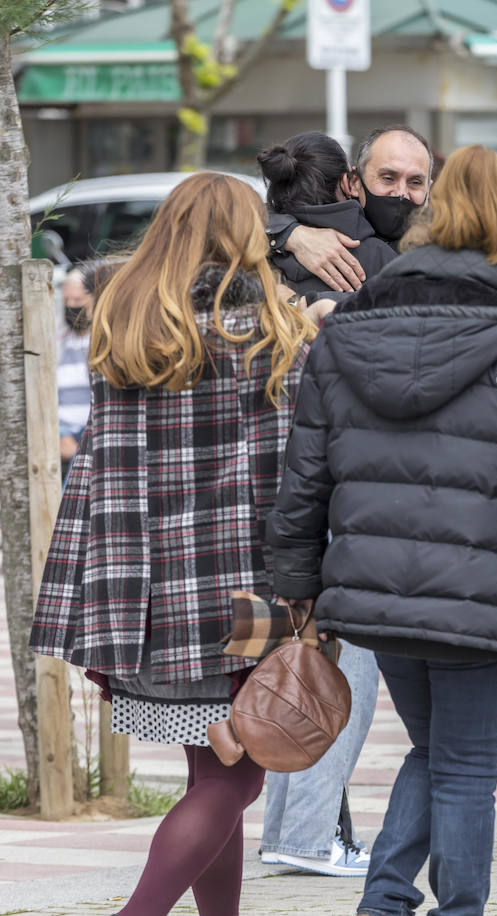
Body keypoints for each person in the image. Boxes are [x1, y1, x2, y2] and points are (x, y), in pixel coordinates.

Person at [267, 144, 497, 916]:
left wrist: (297, 589)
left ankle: (386, 900)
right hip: (482, 594)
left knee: (433, 752)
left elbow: (306, 478)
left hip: (374, 593)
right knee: (466, 766)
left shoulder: (348, 328)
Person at [29, 172, 315, 916]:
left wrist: (94, 606)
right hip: (252, 593)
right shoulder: (276, 333)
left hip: (149, 589)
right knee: (236, 780)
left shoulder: (126, 328)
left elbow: (98, 472)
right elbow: (296, 475)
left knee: (211, 770)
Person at [253, 130, 389, 878]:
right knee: (345, 669)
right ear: (348, 187)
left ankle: (293, 828)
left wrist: (282, 231)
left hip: (267, 487)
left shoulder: (247, 257)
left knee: (294, 659)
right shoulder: (370, 257)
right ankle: (309, 834)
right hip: (348, 486)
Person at [268, 126, 433, 291]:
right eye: (388, 178)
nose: (401, 193)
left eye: (415, 182)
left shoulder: (442, 252)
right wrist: (289, 234)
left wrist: (299, 304)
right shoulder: (272, 238)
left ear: (429, 189)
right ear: (354, 183)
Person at [57, 262, 98, 476]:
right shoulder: (58, 342)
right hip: (62, 434)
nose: (71, 306)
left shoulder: (103, 342)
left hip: (92, 435)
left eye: (78, 301)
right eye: (67, 301)